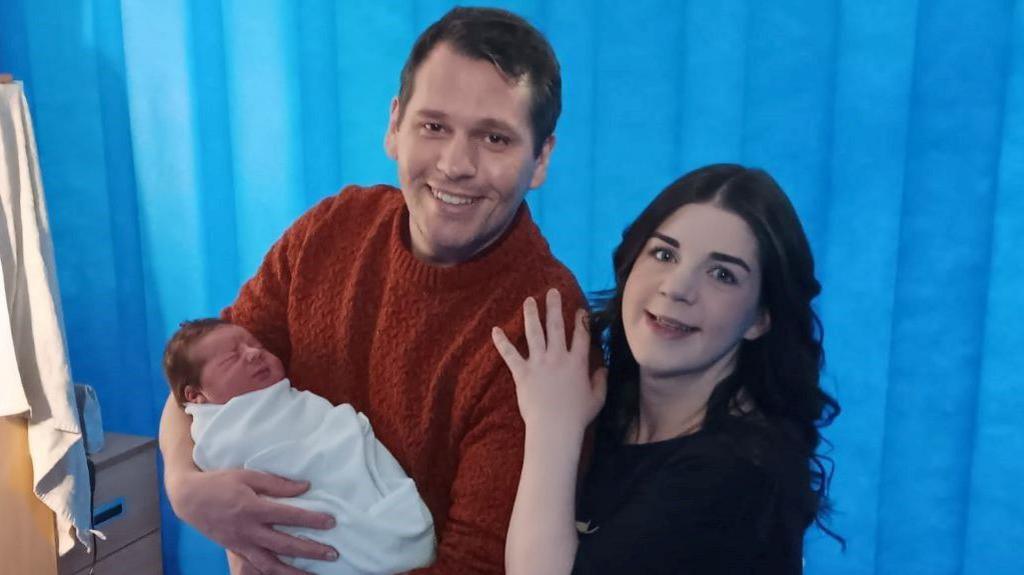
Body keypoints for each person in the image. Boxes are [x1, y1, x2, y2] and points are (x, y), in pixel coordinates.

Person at [158, 6, 586, 575]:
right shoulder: (331, 228)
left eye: (494, 137)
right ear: (394, 126)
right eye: (434, 126)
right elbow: (201, 373)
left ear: (540, 160)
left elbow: (479, 566)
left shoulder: (544, 325)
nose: (456, 164)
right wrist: (184, 485)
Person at [492, 164, 842, 574]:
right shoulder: (601, 410)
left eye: (722, 274)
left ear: (759, 318)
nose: (676, 287)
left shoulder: (737, 475)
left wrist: (552, 430)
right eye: (664, 253)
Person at [163, 318, 435, 575]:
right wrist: (181, 483)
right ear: (196, 396)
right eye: (233, 358)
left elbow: (339, 444)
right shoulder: (220, 429)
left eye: (258, 346)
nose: (254, 353)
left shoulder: (292, 401)